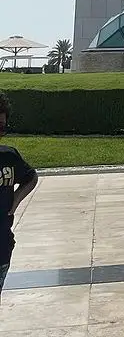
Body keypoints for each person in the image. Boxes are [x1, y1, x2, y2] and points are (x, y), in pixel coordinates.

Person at [0, 93, 38, 301]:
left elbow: (30, 177)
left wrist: (15, 201)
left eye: (1, 127)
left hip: (2, 247)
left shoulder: (8, 157)